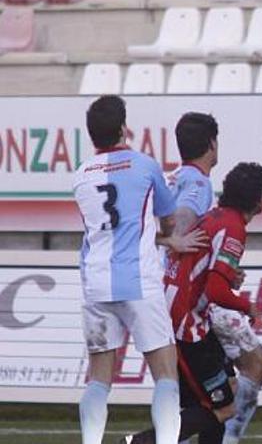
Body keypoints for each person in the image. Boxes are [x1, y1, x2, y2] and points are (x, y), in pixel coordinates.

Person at [123, 163, 262, 444]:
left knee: (221, 395)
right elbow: (215, 290)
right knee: (223, 406)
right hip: (184, 325)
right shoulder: (234, 227)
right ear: (260, 199)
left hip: (181, 316)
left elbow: (206, 274)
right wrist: (246, 305)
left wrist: (229, 280)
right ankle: (139, 442)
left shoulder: (216, 217)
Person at [73, 95, 183, 444]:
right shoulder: (146, 165)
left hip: (96, 283)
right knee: (165, 372)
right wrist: (166, 238)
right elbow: (168, 222)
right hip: (139, 281)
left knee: (98, 378)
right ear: (123, 128)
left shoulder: (80, 176)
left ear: (92, 137)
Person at [166, 113, 262, 444]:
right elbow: (212, 285)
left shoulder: (178, 181)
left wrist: (218, 269)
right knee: (238, 385)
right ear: (212, 143)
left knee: (212, 396)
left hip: (174, 298)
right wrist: (245, 303)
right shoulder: (199, 186)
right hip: (189, 310)